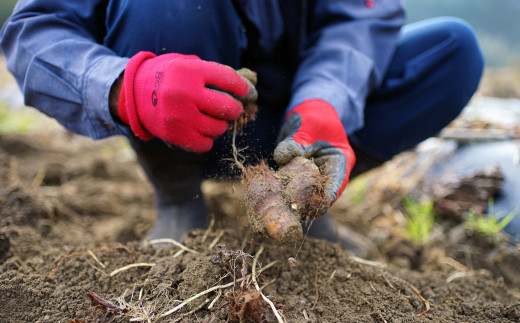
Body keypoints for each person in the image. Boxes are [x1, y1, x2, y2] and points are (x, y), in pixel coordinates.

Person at [0, 1, 483, 256]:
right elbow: (33, 32)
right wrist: (125, 87)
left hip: (291, 122)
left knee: (452, 52)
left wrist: (326, 100)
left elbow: (357, 18)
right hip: (180, 113)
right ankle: (178, 195)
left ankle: (309, 196)